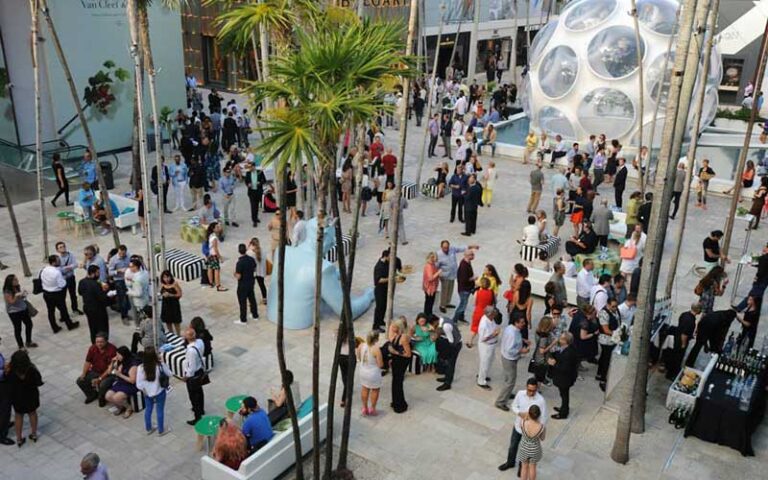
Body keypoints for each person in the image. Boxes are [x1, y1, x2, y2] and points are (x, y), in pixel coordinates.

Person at [499, 379, 548, 473]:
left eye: (534, 390)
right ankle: (510, 462)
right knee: (513, 445)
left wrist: (537, 428)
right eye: (529, 390)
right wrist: (519, 413)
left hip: (530, 430)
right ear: (526, 387)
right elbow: (514, 406)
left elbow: (544, 417)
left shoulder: (541, 400)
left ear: (537, 388)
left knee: (525, 451)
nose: (531, 393)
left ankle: (522, 468)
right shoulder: (520, 394)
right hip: (518, 426)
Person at [7, 350, 43, 446]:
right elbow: (39, 381)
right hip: (31, 396)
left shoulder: (11, 372)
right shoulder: (31, 369)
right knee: (32, 413)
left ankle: (19, 439)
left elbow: (9, 386)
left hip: (18, 398)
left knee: (18, 416)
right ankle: (34, 434)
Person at [495, 314, 530, 409]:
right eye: (522, 322)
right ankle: (500, 401)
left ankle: (507, 393)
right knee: (510, 381)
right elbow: (509, 349)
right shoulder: (512, 334)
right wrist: (522, 351)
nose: (524, 324)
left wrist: (523, 340)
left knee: (508, 378)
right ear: (516, 322)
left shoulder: (511, 328)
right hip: (509, 359)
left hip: (508, 357)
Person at [137, 347, 172, 436]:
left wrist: (145, 391)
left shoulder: (140, 368)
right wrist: (163, 362)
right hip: (160, 392)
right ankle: (161, 430)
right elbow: (170, 374)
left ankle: (149, 428)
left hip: (147, 393)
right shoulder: (159, 366)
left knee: (148, 410)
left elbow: (138, 384)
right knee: (159, 411)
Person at [436, 241, 478, 314]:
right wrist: (438, 275)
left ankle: (447, 303)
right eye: (444, 248)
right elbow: (436, 266)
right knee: (444, 291)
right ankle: (442, 305)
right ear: (441, 247)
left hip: (452, 274)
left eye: (447, 247)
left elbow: (461, 248)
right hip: (445, 275)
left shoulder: (452, 249)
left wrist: (472, 246)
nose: (446, 249)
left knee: (450, 289)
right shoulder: (438, 254)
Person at [41, 255, 79, 333]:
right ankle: (69, 325)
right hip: (56, 294)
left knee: (51, 311)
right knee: (63, 309)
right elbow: (62, 284)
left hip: (46, 293)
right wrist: (64, 279)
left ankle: (54, 327)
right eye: (58, 260)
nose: (60, 261)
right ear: (54, 262)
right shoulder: (56, 272)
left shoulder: (44, 270)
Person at [76, 333, 117, 406]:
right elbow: (88, 361)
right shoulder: (92, 348)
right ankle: (91, 395)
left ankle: (102, 398)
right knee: (80, 381)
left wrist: (99, 379)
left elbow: (109, 368)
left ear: (106, 341)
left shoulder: (112, 349)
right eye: (97, 342)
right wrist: (84, 373)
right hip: (95, 371)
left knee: (103, 384)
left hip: (108, 374)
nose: (99, 344)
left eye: (101, 342)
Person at [664, 303, 701, 380]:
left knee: (674, 355)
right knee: (677, 358)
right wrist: (683, 344)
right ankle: (672, 374)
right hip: (680, 341)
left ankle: (671, 372)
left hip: (677, 337)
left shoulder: (684, 314)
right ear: (697, 310)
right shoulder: (690, 321)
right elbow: (684, 334)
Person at [78, 265, 112, 344]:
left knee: (92, 326)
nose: (99, 274)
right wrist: (106, 291)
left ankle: (94, 342)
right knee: (102, 327)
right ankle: (102, 343)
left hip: (88, 308)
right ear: (93, 274)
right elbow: (103, 298)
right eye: (97, 273)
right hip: (98, 310)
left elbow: (80, 292)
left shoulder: (82, 281)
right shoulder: (95, 285)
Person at [548, 332, 578, 419]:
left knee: (564, 395)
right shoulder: (567, 348)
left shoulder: (568, 353)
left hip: (565, 378)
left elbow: (565, 368)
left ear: (565, 341)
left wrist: (553, 364)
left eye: (561, 338)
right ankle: (564, 408)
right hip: (565, 377)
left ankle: (563, 413)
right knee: (563, 394)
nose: (559, 340)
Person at [103, 346, 138, 418]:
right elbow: (109, 372)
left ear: (124, 355)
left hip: (129, 385)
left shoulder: (132, 365)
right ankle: (120, 406)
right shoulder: (119, 362)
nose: (117, 356)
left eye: (118, 355)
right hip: (121, 382)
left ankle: (129, 408)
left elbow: (132, 380)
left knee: (116, 397)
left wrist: (120, 374)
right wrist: (112, 363)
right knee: (108, 396)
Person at [3, 275, 37, 350]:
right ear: (10, 282)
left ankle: (28, 341)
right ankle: (21, 346)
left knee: (29, 324)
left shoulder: (17, 286)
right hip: (14, 313)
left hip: (23, 309)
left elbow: (20, 297)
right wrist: (16, 296)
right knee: (18, 329)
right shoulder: (7, 291)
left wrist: (22, 294)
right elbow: (11, 302)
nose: (17, 280)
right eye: (15, 279)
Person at [387, 318, 411, 413]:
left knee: (398, 382)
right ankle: (396, 401)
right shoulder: (396, 335)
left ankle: (400, 404)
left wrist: (395, 352)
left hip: (402, 361)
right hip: (396, 360)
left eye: (394, 326)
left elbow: (408, 354)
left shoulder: (403, 338)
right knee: (395, 382)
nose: (392, 328)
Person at [357, 330, 384, 416]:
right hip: (373, 373)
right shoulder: (376, 349)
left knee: (365, 389)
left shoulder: (361, 345)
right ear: (376, 339)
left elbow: (359, 358)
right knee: (375, 390)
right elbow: (380, 364)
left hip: (363, 371)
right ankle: (372, 408)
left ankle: (364, 407)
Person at [596, 298, 620, 389]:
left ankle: (599, 374)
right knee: (606, 359)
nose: (615, 308)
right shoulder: (604, 313)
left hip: (612, 338)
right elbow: (606, 330)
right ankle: (603, 379)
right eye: (613, 306)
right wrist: (617, 334)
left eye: (616, 306)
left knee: (603, 357)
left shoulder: (614, 311)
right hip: (606, 340)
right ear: (608, 305)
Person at [184, 327, 206, 425]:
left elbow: (191, 368)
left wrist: (187, 377)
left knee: (194, 396)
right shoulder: (200, 342)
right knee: (199, 392)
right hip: (200, 370)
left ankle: (198, 416)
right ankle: (201, 409)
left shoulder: (191, 351)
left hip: (194, 375)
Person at [477, 307, 501, 391]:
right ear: (490, 314)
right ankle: (481, 381)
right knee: (485, 362)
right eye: (494, 314)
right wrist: (493, 335)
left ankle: (482, 375)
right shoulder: (484, 324)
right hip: (486, 345)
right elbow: (483, 338)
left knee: (489, 361)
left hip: (492, 344)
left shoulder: (491, 319)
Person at [234, 243, 258, 325]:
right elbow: (254, 268)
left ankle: (243, 319)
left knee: (242, 302)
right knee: (252, 299)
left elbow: (238, 276)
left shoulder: (240, 263)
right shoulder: (251, 259)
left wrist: (234, 274)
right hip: (251, 282)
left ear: (239, 251)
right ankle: (255, 315)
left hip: (243, 285)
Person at [56, 241, 82, 316]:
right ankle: (63, 313)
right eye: (60, 247)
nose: (63, 248)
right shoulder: (58, 258)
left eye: (63, 246)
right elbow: (59, 269)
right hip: (63, 279)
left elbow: (75, 264)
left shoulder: (71, 255)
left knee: (73, 294)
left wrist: (66, 268)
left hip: (71, 277)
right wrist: (69, 267)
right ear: (57, 250)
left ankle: (75, 308)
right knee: (62, 297)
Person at [453, 250, 477, 324]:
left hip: (467, 288)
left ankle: (461, 317)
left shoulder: (467, 263)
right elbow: (464, 279)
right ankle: (454, 320)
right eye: (471, 255)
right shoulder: (464, 265)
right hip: (464, 289)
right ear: (467, 255)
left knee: (464, 304)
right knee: (462, 305)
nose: (473, 256)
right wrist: (473, 278)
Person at [532, 317, 557, 384]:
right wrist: (553, 344)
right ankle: (539, 384)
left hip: (537, 356)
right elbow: (542, 351)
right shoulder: (544, 337)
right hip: (542, 359)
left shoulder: (538, 331)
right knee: (540, 373)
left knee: (538, 373)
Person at [372, 249, 392, 333]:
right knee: (379, 307)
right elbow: (379, 280)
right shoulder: (379, 267)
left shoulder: (387, 263)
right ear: (385, 256)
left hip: (385, 289)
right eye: (390, 256)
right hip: (379, 290)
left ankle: (381, 320)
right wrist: (390, 278)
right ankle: (376, 326)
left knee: (384, 306)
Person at [159, 271, 183, 335]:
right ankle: (171, 334)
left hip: (174, 305)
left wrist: (170, 295)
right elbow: (161, 291)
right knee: (168, 321)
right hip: (165, 305)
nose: (166, 279)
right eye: (164, 277)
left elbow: (180, 294)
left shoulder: (174, 284)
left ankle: (178, 334)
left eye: (168, 277)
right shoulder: (162, 284)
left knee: (176, 322)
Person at [126, 258, 149, 324]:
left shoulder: (137, 279)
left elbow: (139, 293)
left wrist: (128, 292)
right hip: (146, 298)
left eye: (131, 267)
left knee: (141, 320)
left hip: (139, 302)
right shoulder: (145, 273)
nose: (130, 269)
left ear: (135, 267)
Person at [206, 222, 227, 292]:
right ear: (213, 229)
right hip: (214, 255)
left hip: (210, 255)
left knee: (210, 268)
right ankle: (218, 286)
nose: (218, 228)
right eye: (217, 227)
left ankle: (211, 282)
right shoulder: (214, 238)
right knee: (217, 270)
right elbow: (215, 249)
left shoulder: (210, 235)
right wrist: (220, 257)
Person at [247, 238, 269, 305]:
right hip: (261, 271)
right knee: (262, 285)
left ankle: (251, 301)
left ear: (251, 244)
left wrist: (248, 247)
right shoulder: (262, 251)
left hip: (253, 272)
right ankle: (264, 299)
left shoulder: (250, 253)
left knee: (251, 286)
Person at [244, 162, 266, 227]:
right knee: (253, 206)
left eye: (251, 167)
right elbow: (246, 181)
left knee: (257, 206)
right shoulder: (248, 173)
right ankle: (254, 220)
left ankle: (256, 217)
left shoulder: (259, 172)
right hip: (251, 192)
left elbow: (264, 180)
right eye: (249, 167)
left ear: (254, 167)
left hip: (258, 191)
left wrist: (260, 183)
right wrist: (248, 184)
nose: (250, 168)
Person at [423, 252, 441, 318]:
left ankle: (429, 313)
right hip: (429, 287)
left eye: (434, 257)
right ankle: (427, 315)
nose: (433, 259)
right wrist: (438, 273)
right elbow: (430, 278)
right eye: (432, 257)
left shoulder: (433, 265)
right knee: (429, 301)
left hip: (433, 287)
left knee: (431, 301)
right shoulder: (429, 266)